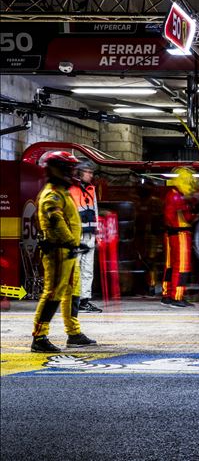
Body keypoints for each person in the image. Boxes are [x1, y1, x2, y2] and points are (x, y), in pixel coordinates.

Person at [31, 151, 97, 352]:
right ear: (56, 169)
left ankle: (74, 333)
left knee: (73, 292)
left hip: (68, 251)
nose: (72, 173)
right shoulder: (52, 194)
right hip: (58, 251)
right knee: (53, 294)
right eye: (69, 169)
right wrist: (71, 242)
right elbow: (56, 221)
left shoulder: (62, 191)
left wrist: (74, 244)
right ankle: (39, 337)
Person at [161, 167, 198, 308]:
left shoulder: (171, 194)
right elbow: (186, 217)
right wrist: (197, 215)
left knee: (170, 266)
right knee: (181, 266)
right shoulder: (178, 196)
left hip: (170, 234)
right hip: (180, 234)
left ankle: (167, 295)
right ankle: (177, 297)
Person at [68, 160, 102, 313]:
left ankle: (84, 302)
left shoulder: (92, 189)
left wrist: (98, 234)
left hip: (89, 235)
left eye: (91, 172)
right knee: (74, 269)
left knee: (88, 269)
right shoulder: (70, 189)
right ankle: (72, 301)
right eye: (88, 172)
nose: (91, 175)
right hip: (75, 235)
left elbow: (94, 212)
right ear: (79, 172)